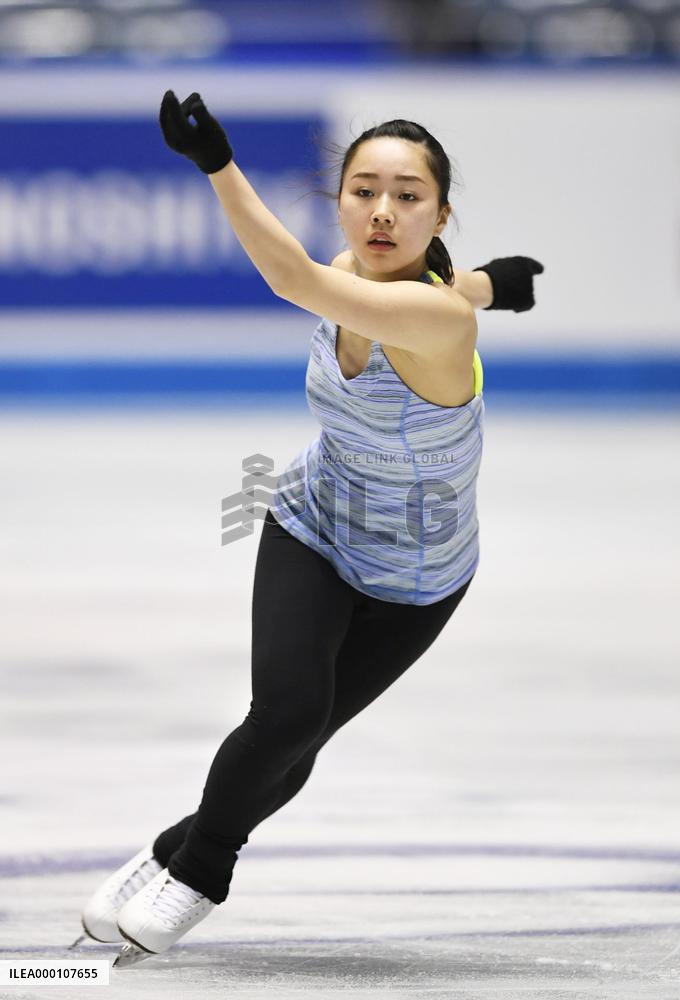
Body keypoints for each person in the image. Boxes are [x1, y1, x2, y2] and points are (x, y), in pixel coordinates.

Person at [73, 91, 544, 967]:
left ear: (441, 214)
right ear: (341, 203)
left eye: (408, 196)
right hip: (313, 521)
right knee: (287, 714)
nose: (382, 211)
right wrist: (489, 282)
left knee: (300, 740)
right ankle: (202, 873)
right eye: (365, 191)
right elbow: (390, 285)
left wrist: (217, 162)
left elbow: (312, 284)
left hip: (419, 578)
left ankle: (172, 850)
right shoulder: (362, 273)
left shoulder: (436, 318)